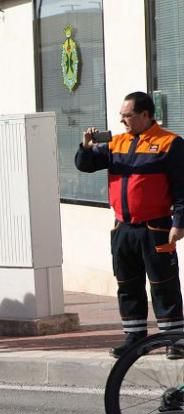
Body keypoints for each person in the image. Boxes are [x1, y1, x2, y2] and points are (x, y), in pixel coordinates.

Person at [75, 91, 184, 357]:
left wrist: (179, 222)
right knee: (127, 284)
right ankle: (134, 338)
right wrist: (86, 146)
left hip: (156, 227)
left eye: (128, 116)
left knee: (163, 284)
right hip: (123, 228)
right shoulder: (116, 143)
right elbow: (85, 165)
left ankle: (176, 341)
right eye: (121, 116)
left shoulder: (170, 143)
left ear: (146, 115)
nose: (123, 121)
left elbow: (183, 187)